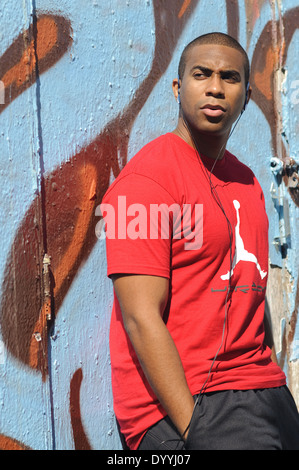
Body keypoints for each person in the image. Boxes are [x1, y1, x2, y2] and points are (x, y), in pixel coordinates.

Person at [100, 32, 299, 450]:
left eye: (228, 78)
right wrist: (195, 430)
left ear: (245, 97)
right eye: (201, 74)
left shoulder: (245, 181)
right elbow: (140, 318)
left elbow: (250, 290)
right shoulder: (145, 184)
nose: (214, 87)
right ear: (178, 87)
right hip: (191, 405)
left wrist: (274, 378)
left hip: (264, 391)